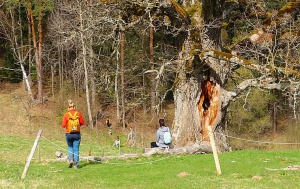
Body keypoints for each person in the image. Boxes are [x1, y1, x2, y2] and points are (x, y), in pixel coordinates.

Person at [61, 100, 84, 169]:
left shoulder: (66, 114)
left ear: (68, 107)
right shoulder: (78, 114)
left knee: (70, 147)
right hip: (77, 134)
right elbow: (82, 122)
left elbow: (63, 125)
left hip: (69, 134)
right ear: (74, 107)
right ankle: (76, 164)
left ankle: (70, 160)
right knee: (76, 149)